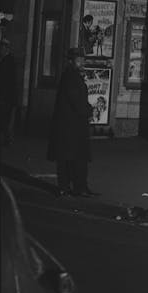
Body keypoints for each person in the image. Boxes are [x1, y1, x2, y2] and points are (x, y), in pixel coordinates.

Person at [47, 48, 96, 197]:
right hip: (69, 124)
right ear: (71, 61)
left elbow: (79, 99)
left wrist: (87, 109)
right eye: (79, 60)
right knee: (68, 157)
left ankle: (78, 187)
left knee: (75, 157)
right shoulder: (70, 76)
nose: (82, 62)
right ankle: (68, 187)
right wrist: (88, 111)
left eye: (83, 59)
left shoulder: (74, 75)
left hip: (73, 124)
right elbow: (76, 100)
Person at [0, 39, 18, 146]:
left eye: (2, 48)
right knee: (5, 118)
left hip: (6, 96)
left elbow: (7, 81)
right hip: (6, 96)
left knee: (6, 118)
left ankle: (7, 139)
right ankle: (7, 139)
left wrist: (3, 96)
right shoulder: (5, 60)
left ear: (6, 49)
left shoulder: (8, 61)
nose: (0, 50)